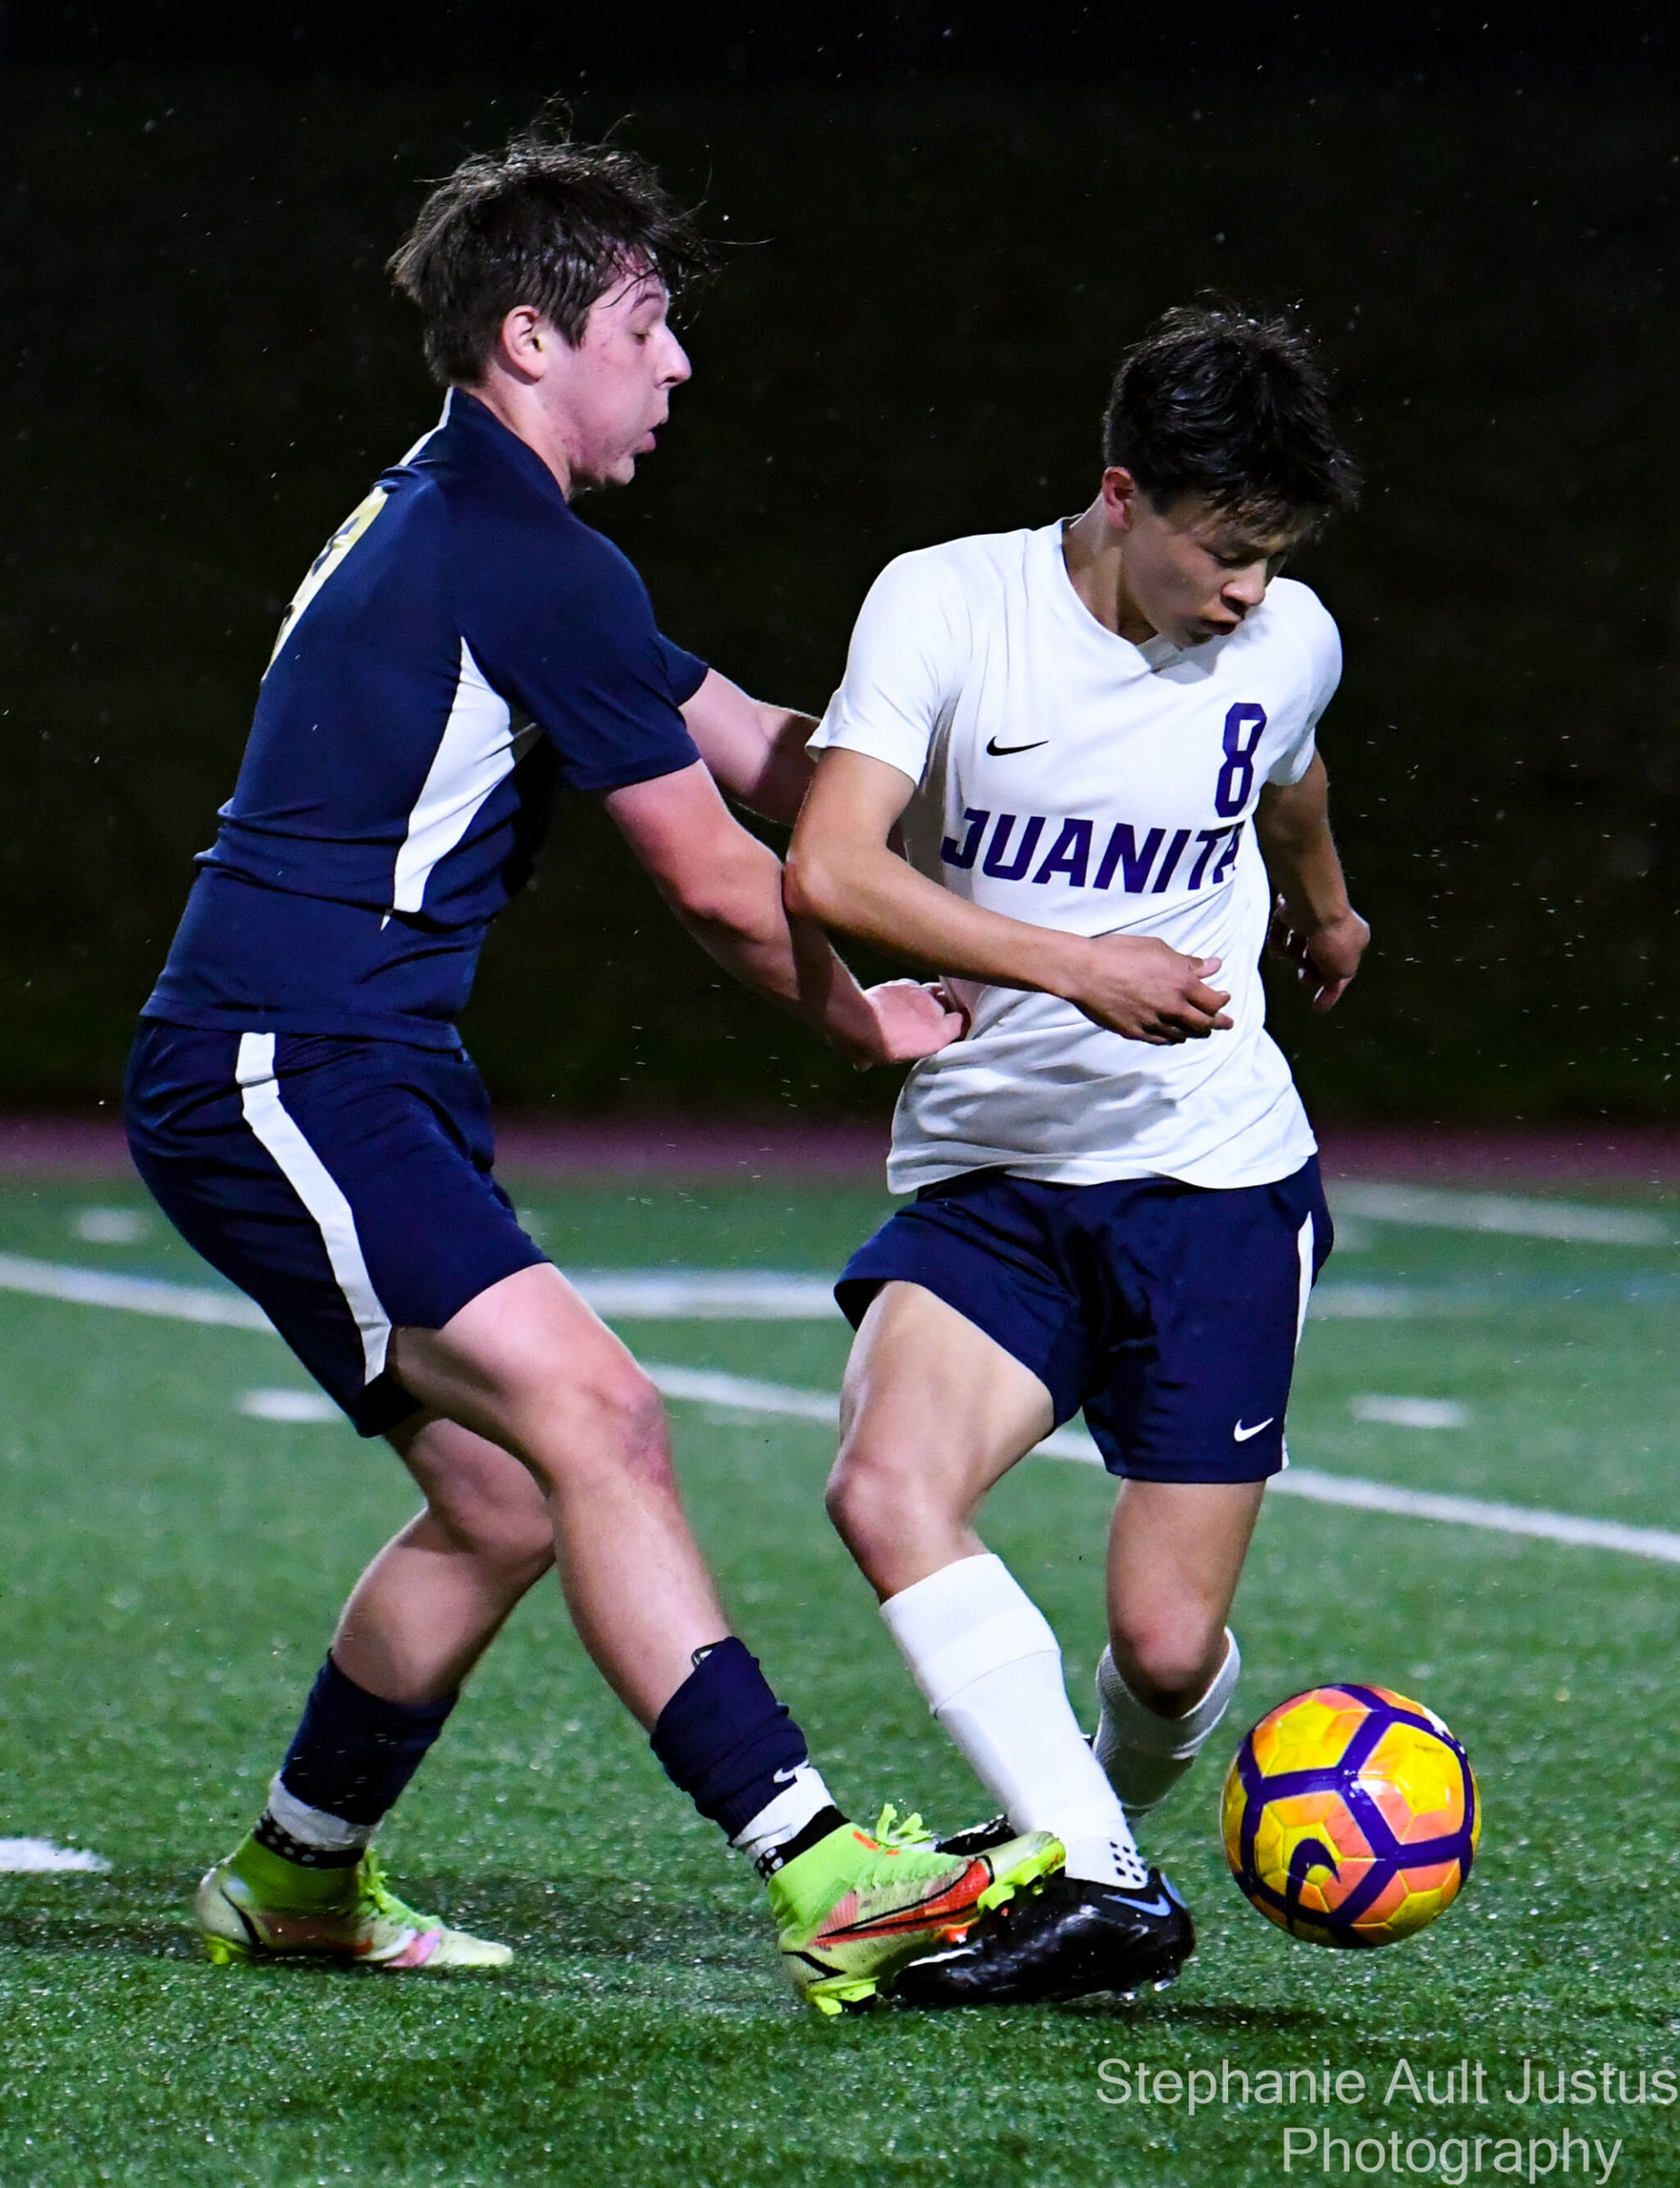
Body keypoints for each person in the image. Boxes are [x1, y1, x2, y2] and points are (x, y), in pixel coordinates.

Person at [123, 126, 1059, 2014]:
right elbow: (721, 886)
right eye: (646, 321)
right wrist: (864, 1012)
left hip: (331, 1059)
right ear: (534, 341)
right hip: (284, 1064)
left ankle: (295, 1875)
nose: (679, 363)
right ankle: (822, 1864)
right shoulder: (515, 549)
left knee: (505, 1493)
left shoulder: (501, 532)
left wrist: (1016, 801)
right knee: (604, 1418)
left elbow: (768, 757)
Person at [784, 303, 1367, 2006]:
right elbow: (829, 860)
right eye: (1221, 550)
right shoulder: (948, 603)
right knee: (883, 1484)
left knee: (1168, 1650)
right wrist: (1072, 965)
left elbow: (1291, 764)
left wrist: (1326, 907)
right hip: (994, 1176)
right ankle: (1106, 1885)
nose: (1244, 591)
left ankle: (1078, 1833)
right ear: (1121, 493)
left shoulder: (1287, 635)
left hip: (1213, 1182)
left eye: (1271, 557)